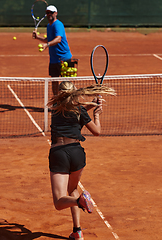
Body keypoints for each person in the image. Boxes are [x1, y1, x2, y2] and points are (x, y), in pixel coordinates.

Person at [47, 81, 115, 240]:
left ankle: (80, 201)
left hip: (59, 153)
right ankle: (77, 231)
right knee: (72, 189)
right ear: (74, 93)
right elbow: (96, 131)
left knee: (59, 203)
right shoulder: (79, 111)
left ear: (60, 93)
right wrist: (96, 114)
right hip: (77, 154)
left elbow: (72, 110)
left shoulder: (55, 107)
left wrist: (91, 105)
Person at [33, 5, 72, 95]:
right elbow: (50, 39)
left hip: (64, 58)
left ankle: (68, 102)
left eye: (51, 12)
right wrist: (37, 37)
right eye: (47, 13)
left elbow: (58, 39)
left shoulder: (58, 24)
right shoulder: (49, 26)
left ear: (56, 13)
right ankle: (56, 102)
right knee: (54, 81)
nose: (49, 14)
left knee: (66, 84)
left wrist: (47, 45)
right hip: (54, 59)